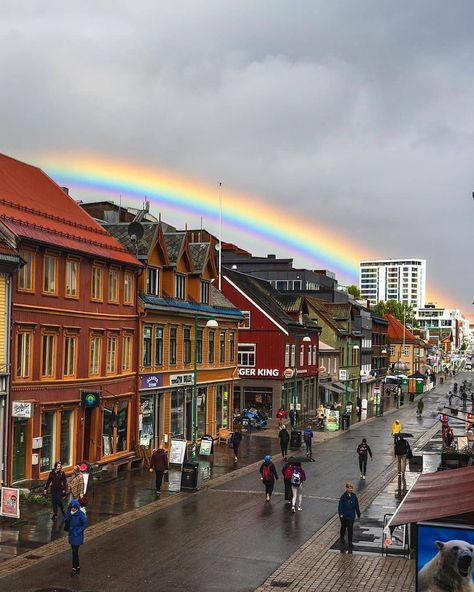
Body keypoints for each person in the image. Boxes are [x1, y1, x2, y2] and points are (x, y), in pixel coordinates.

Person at [65, 499, 88, 576]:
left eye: (75, 507)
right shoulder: (69, 513)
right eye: (72, 507)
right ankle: (77, 566)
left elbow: (84, 524)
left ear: (77, 507)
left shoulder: (81, 514)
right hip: (71, 535)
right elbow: (65, 520)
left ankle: (74, 568)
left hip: (77, 535)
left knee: (75, 551)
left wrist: (78, 531)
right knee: (74, 552)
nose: (73, 508)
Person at [338, 483, 360, 552]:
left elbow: (356, 505)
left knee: (350, 529)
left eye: (351, 488)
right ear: (346, 488)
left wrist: (358, 512)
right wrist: (341, 513)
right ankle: (342, 537)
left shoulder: (354, 496)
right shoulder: (343, 496)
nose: (350, 489)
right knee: (343, 527)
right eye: (349, 488)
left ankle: (350, 542)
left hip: (351, 515)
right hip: (344, 515)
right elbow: (340, 505)